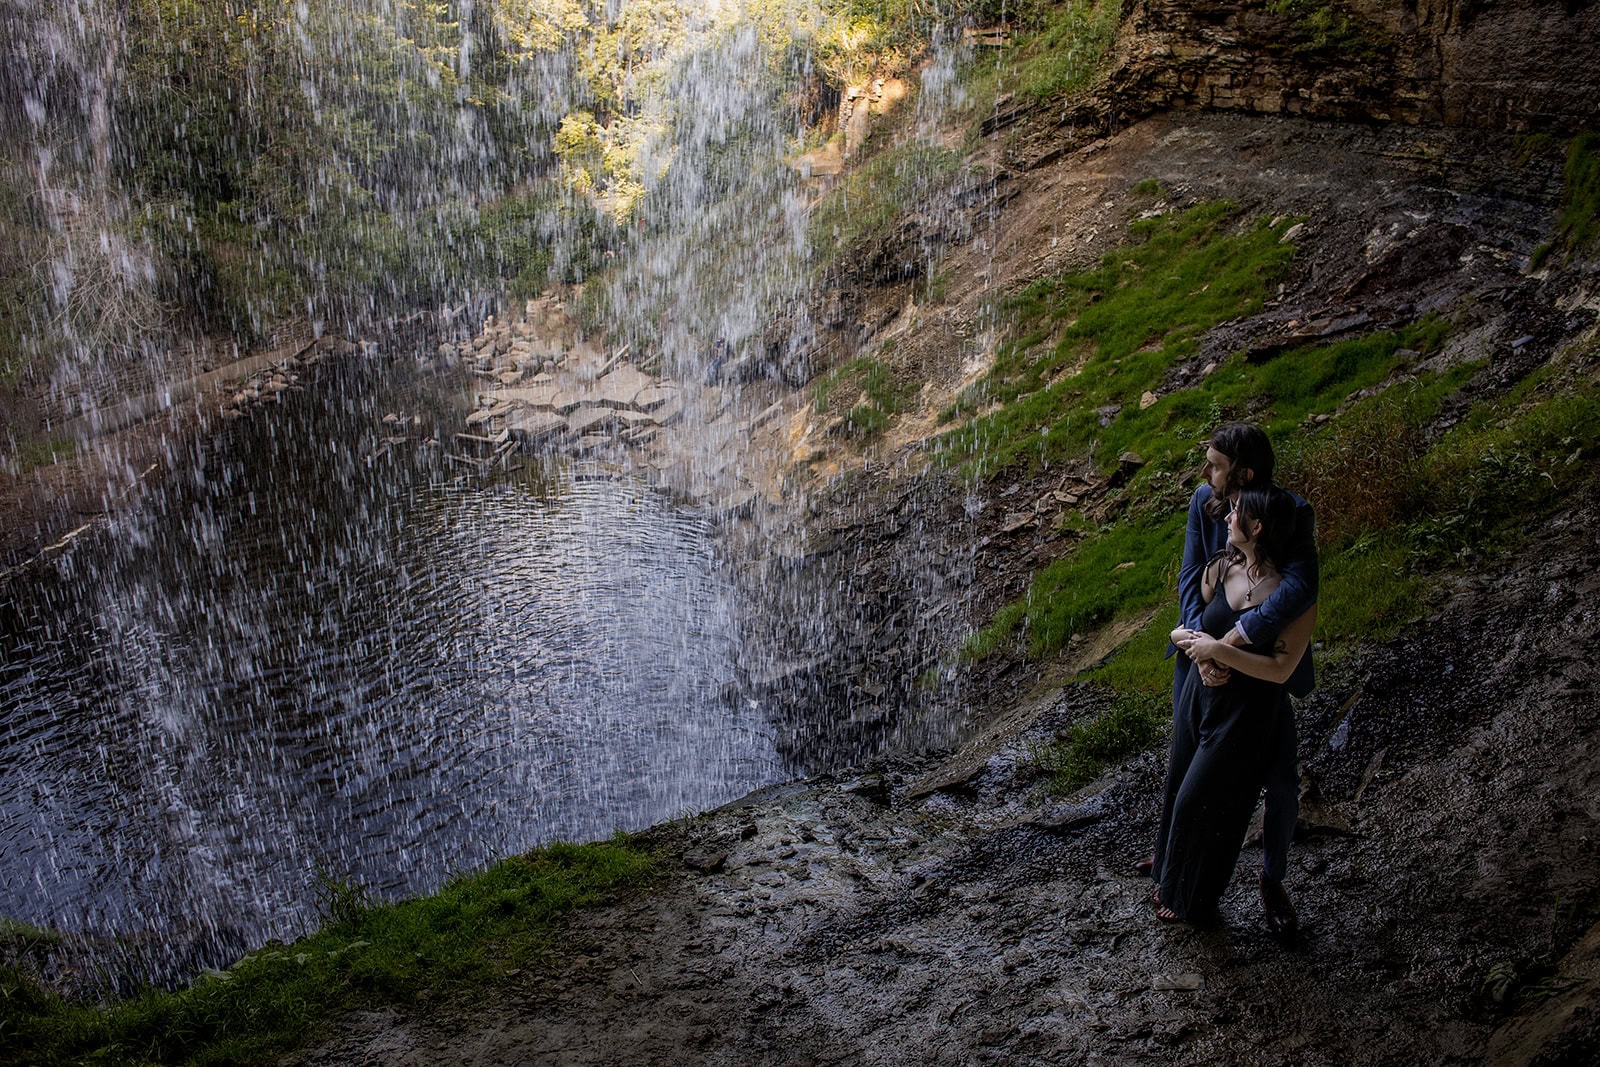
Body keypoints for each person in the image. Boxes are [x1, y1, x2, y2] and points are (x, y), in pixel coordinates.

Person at [1150, 423, 1318, 936]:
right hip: (1201, 652)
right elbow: (1191, 576)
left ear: (1243, 473)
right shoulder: (1205, 501)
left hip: (1254, 668)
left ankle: (1272, 882)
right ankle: (1169, 864)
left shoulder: (1287, 512)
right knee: (1184, 759)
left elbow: (1299, 588)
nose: (1205, 474)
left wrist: (1234, 640)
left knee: (1280, 777)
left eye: (1216, 465)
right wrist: (1201, 643)